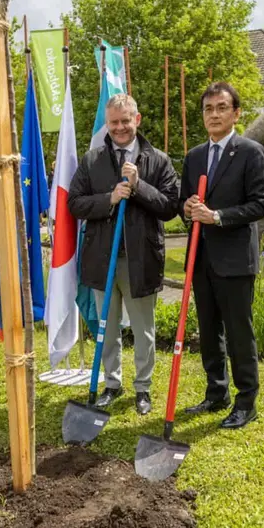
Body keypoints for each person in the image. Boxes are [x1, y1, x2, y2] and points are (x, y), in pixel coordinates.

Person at [68, 93, 180, 415]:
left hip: (140, 259)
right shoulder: (92, 160)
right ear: (107, 122)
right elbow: (74, 204)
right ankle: (111, 383)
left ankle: (143, 388)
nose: (119, 128)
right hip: (103, 260)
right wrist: (110, 198)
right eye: (113, 122)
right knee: (108, 325)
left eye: (125, 121)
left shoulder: (157, 160)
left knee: (144, 328)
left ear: (137, 120)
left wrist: (139, 185)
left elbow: (170, 207)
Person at [180, 82, 264, 429]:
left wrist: (218, 217)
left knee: (238, 332)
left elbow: (261, 203)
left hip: (234, 261)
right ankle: (215, 392)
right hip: (201, 259)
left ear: (235, 113)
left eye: (221, 108)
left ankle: (246, 401)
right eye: (208, 109)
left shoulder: (250, 152)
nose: (214, 114)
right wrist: (187, 208)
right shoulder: (194, 157)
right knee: (208, 331)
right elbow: (183, 202)